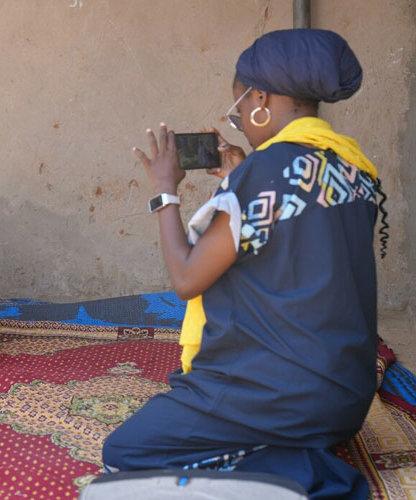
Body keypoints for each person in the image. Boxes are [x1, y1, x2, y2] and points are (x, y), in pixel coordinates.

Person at [102, 29, 386, 500]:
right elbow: (298, 242)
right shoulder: (354, 169)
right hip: (345, 401)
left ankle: (296, 471)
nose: (240, 127)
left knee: (125, 452)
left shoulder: (262, 174)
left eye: (238, 114)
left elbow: (187, 278)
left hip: (274, 398)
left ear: (260, 99)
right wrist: (241, 180)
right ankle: (299, 449)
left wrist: (164, 193)